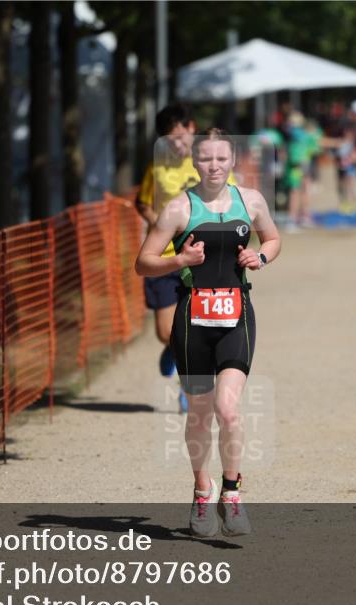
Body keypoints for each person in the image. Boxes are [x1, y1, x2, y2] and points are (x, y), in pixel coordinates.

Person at [135, 129, 281, 538]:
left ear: (232, 159)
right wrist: (181, 258)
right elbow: (143, 262)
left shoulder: (250, 200)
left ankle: (231, 494)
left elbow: (272, 237)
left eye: (221, 159)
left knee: (228, 409)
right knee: (199, 411)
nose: (213, 166)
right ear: (194, 162)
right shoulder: (178, 208)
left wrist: (261, 256)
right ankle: (203, 489)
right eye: (205, 159)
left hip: (236, 315)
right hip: (192, 322)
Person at [136, 104, 233, 412]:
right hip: (166, 256)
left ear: (192, 128)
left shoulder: (208, 161)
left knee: (199, 329)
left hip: (202, 258)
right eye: (169, 140)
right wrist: (157, 221)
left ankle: (188, 387)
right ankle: (172, 347)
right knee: (167, 332)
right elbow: (142, 203)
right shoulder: (157, 165)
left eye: (179, 137)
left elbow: (231, 201)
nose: (176, 145)